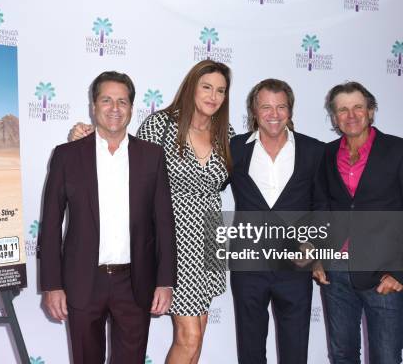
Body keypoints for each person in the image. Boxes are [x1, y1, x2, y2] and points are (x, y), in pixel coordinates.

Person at [69, 60, 233, 364]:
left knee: (199, 333)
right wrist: (85, 137)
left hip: (210, 239)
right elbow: (124, 160)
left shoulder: (227, 132)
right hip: (174, 239)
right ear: (191, 87)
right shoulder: (162, 124)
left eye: (221, 90)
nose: (213, 96)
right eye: (206, 87)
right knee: (190, 336)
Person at [39, 71, 177, 364]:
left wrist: (165, 281)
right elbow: (50, 225)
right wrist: (52, 285)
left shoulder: (152, 156)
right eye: (106, 100)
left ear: (131, 108)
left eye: (122, 101)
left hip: (135, 282)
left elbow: (164, 222)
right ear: (93, 106)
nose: (115, 108)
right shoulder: (67, 156)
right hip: (82, 282)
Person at [313, 81, 403, 364]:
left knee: (387, 357)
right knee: (342, 355)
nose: (350, 115)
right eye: (342, 110)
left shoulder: (401, 151)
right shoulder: (326, 155)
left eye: (357, 107)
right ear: (334, 117)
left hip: (384, 272)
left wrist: (402, 273)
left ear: (371, 111)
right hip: (337, 272)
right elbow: (320, 209)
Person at [228, 78, 327, 364]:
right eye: (266, 107)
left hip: (296, 264)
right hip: (248, 264)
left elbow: (322, 204)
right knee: (250, 348)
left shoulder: (314, 150)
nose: (274, 114)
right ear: (254, 111)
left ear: (290, 111)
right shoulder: (234, 148)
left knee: (295, 348)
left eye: (281, 106)